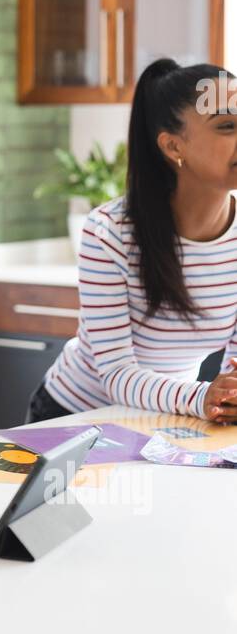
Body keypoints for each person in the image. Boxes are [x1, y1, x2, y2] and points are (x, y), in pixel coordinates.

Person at [27, 59, 237, 423]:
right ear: (173, 147)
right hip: (75, 417)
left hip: (168, 418)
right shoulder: (109, 232)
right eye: (227, 126)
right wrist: (203, 396)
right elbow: (116, 375)